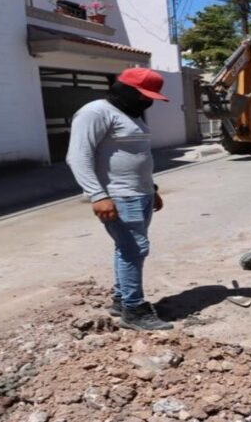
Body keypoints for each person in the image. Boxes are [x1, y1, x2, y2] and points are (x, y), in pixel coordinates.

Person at [66, 68, 173, 331]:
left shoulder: (129, 114)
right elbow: (78, 157)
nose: (147, 102)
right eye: (143, 96)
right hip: (119, 196)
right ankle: (134, 310)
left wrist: (152, 187)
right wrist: (98, 195)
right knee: (134, 249)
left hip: (141, 194)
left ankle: (120, 299)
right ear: (126, 90)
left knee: (127, 249)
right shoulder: (95, 113)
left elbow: (136, 155)